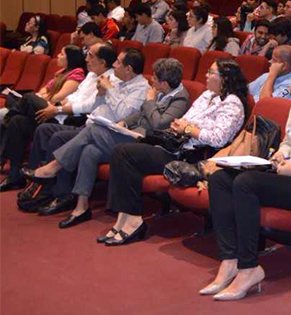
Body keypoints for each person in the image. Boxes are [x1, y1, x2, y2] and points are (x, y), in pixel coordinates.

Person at [204, 62, 291, 300]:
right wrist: (281, 153)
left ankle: (248, 267)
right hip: (287, 175)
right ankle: (229, 259)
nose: (290, 88)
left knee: (245, 183)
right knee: (220, 178)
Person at [103, 59, 248, 245]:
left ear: (225, 79)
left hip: (191, 156)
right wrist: (179, 125)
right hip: (175, 146)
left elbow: (219, 138)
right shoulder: (206, 95)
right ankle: (124, 218)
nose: (206, 75)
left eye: (211, 72)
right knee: (121, 152)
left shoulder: (232, 104)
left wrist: (188, 129)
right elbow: (184, 120)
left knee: (125, 153)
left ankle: (132, 220)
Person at [26, 58, 189, 223]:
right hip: (131, 133)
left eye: (154, 78)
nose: (151, 80)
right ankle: (81, 207)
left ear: (165, 84)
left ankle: (53, 167)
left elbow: (159, 123)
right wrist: (125, 122)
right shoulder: (161, 92)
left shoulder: (180, 99)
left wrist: (151, 101)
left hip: (147, 144)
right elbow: (140, 114)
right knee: (90, 150)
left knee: (93, 130)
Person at [0, 46, 86, 191]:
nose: (58, 55)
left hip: (57, 116)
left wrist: (43, 97)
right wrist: (42, 97)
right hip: (46, 109)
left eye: (62, 53)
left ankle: (8, 118)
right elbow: (42, 92)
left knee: (27, 99)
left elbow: (58, 97)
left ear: (70, 58)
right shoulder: (60, 73)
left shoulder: (77, 73)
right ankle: (14, 176)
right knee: (17, 121)